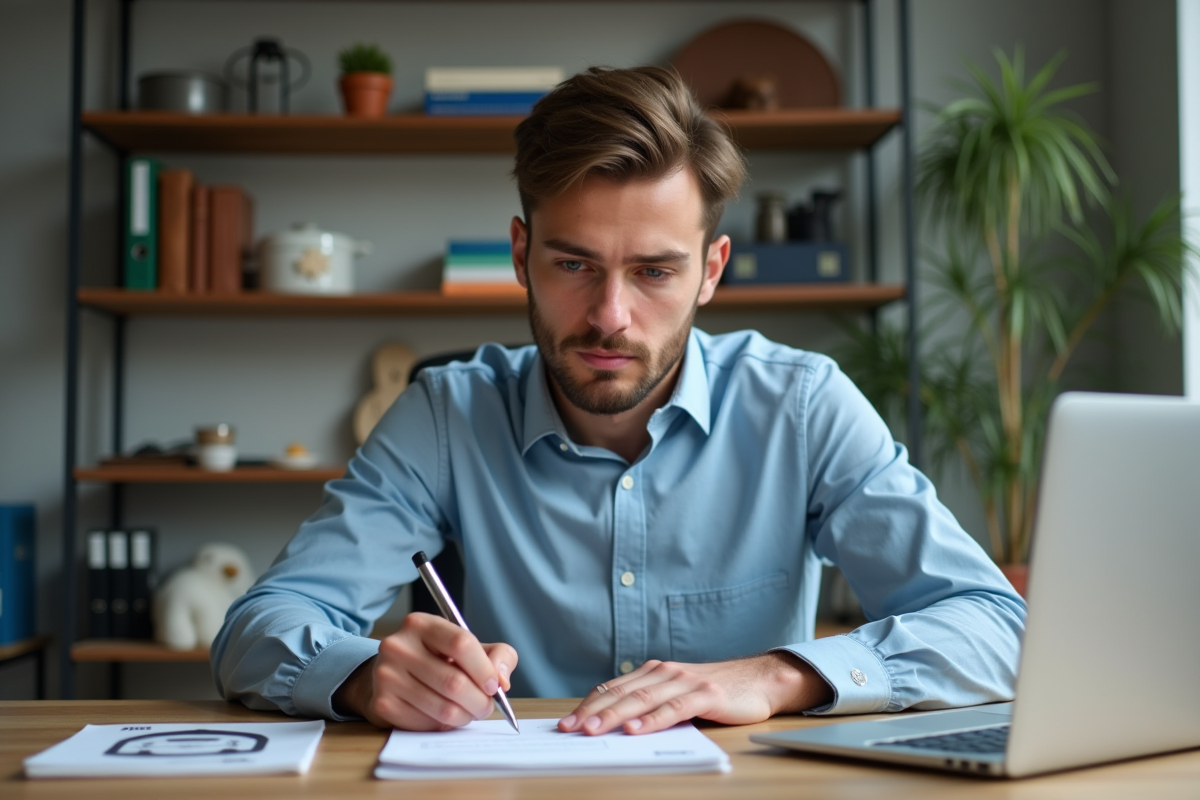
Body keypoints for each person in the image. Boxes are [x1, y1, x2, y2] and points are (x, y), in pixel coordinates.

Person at [212, 66, 1025, 736]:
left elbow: (999, 627)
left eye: (654, 271)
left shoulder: (802, 407)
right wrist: (361, 677)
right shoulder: (444, 416)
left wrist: (784, 675)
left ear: (711, 271)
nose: (610, 315)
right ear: (522, 255)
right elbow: (259, 628)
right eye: (574, 265)